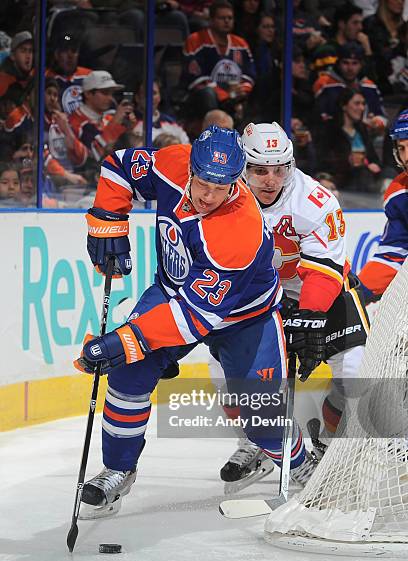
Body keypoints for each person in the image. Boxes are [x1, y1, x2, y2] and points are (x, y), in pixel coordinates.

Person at [73, 125, 312, 519]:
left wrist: (124, 341)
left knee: (261, 415)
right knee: (127, 376)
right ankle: (118, 469)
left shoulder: (240, 229)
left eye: (222, 188)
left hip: (243, 319)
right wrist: (107, 220)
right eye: (202, 183)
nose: (208, 196)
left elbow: (193, 319)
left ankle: (302, 465)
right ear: (191, 169)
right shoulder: (171, 162)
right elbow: (118, 167)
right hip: (172, 291)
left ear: (237, 182)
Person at [215, 121, 369, 486]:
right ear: (241, 166)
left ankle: (334, 446)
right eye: (259, 170)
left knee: (356, 371)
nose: (271, 179)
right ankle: (257, 444)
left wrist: (310, 318)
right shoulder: (223, 195)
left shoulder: (315, 200)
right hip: (258, 294)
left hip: (322, 289)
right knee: (229, 378)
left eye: (279, 169)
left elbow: (327, 269)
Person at [181, 0, 256, 132]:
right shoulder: (196, 40)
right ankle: (211, 133)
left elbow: (249, 74)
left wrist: (241, 91)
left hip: (234, 96)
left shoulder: (241, 44)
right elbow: (196, 78)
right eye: (222, 18)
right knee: (207, 94)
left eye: (230, 18)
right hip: (203, 99)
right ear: (211, 20)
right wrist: (224, 95)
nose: (227, 21)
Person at [359, 109, 408, 301]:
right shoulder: (398, 193)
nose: (406, 157)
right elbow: (395, 252)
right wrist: (362, 289)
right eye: (402, 148)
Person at [314, 88, 382, 192]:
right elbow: (321, 161)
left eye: (363, 104)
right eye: (357, 103)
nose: (362, 108)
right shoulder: (330, 129)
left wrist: (372, 164)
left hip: (364, 183)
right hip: (339, 184)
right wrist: (348, 161)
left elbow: (374, 160)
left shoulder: (363, 130)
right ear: (344, 106)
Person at [0, 31, 33, 99]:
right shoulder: (2, 81)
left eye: (30, 51)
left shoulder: (34, 81)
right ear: (12, 56)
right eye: (23, 51)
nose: (28, 56)